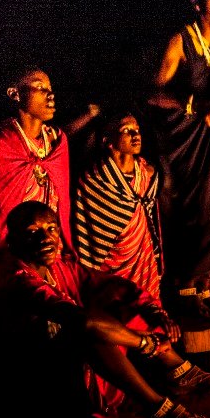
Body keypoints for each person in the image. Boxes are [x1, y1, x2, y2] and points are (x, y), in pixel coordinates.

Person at [0, 201, 210, 418]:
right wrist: (145, 342)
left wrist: (155, 311)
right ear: (12, 242)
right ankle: (159, 411)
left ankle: (180, 371)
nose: (45, 238)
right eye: (32, 232)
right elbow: (84, 322)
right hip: (28, 380)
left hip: (61, 362)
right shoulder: (17, 278)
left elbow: (113, 285)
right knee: (90, 333)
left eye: (51, 228)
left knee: (126, 303)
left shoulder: (59, 267)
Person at [145, 0, 210, 322]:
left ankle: (204, 288)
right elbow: (153, 95)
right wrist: (195, 106)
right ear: (196, 3)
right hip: (181, 142)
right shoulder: (181, 41)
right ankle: (184, 292)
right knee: (195, 211)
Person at [0, 65, 92, 262]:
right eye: (40, 88)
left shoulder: (57, 142)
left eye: (50, 89)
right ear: (15, 94)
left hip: (54, 248)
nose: (50, 95)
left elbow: (62, 203)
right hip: (18, 251)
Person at [74, 110, 166, 304]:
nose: (136, 135)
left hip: (144, 262)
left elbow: (148, 218)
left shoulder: (149, 175)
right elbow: (91, 233)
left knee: (148, 315)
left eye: (137, 129)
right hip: (111, 268)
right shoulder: (95, 181)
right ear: (108, 141)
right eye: (127, 130)